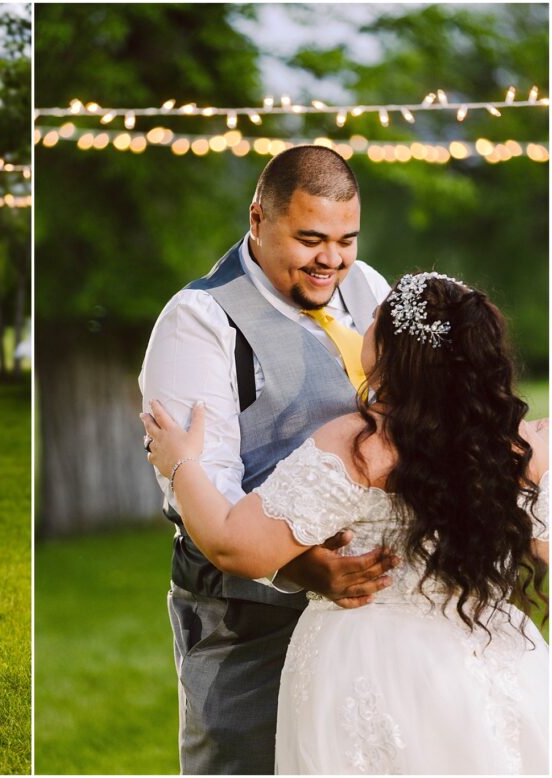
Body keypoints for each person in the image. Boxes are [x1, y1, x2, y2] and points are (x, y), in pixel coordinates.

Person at [142, 272, 549, 774]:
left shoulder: (359, 447)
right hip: (488, 655)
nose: (364, 321)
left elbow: (232, 546)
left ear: (394, 350)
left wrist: (180, 464)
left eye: (375, 318)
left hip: (368, 672)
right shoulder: (522, 449)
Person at [138, 145, 399, 774]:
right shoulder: (199, 320)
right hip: (246, 624)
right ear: (257, 219)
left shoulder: (367, 290)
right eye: (310, 239)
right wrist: (306, 571)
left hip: (373, 620)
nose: (331, 260)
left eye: (345, 240)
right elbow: (201, 485)